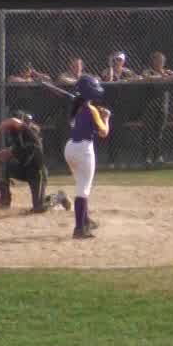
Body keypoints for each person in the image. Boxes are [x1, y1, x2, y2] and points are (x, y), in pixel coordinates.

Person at [0, 111, 65, 214]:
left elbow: (13, 121)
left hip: (37, 173)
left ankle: (59, 197)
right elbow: (9, 152)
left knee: (38, 208)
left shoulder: (31, 135)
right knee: (1, 169)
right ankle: (5, 199)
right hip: (23, 170)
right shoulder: (18, 137)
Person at [64, 74, 111, 239]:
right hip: (83, 149)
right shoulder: (91, 110)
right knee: (83, 190)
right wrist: (106, 118)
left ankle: (85, 220)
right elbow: (104, 133)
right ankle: (79, 229)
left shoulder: (75, 107)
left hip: (69, 148)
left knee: (80, 185)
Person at [138, 50, 173, 167]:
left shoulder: (166, 72)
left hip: (163, 106)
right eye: (158, 60)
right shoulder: (148, 71)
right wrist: (163, 78)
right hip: (149, 106)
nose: (160, 63)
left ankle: (158, 156)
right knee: (148, 132)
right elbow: (147, 78)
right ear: (153, 61)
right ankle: (147, 158)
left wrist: (166, 76)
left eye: (162, 61)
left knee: (159, 132)